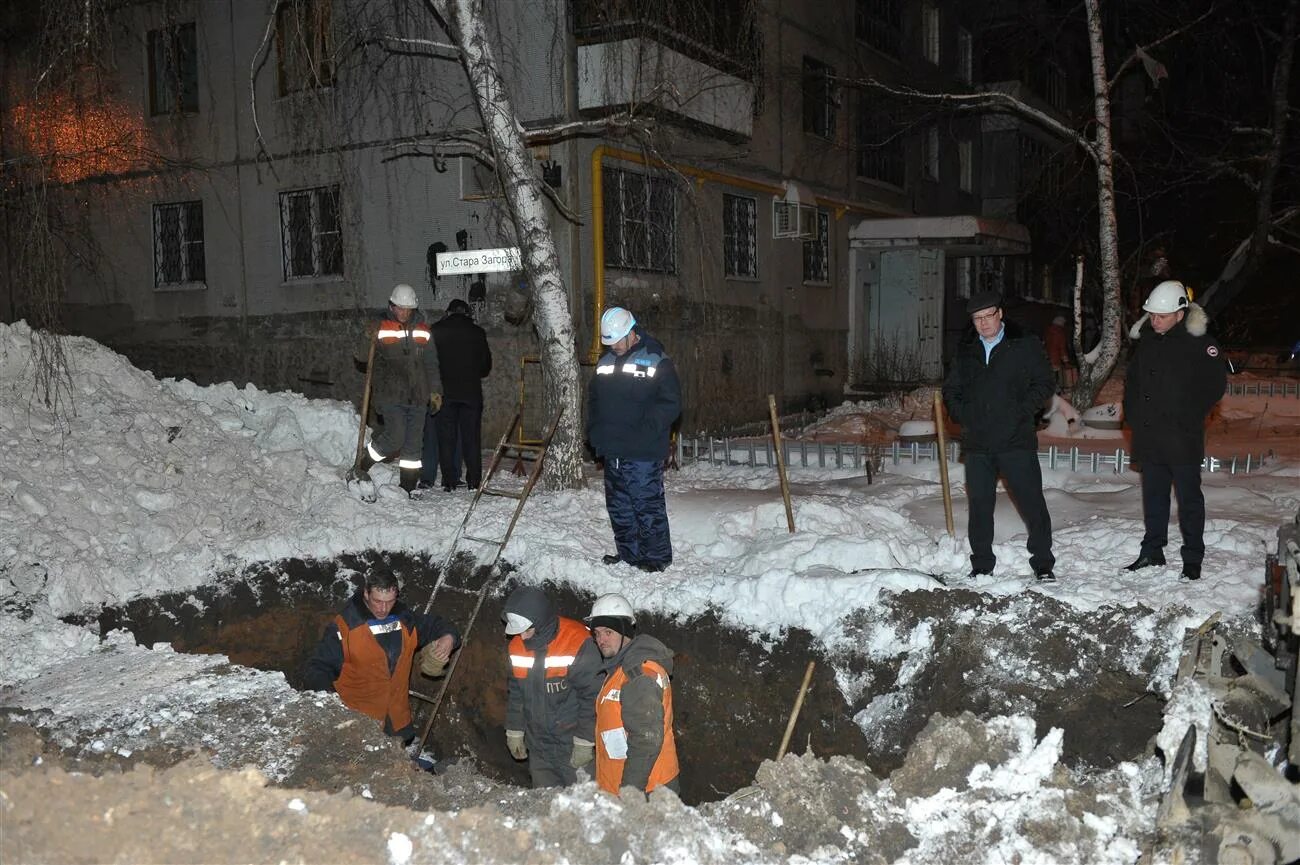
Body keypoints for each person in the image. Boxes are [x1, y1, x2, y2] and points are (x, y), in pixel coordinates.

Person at [942, 290, 1057, 581]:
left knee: (1031, 502)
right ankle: (981, 563)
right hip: (978, 443)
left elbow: (1044, 382)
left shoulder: (1024, 344)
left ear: (1000, 314)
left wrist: (1021, 411)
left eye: (988, 316)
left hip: (1015, 440)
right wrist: (963, 414)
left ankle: (1043, 562)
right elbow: (951, 390)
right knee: (980, 506)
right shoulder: (966, 349)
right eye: (977, 318)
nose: (983, 324)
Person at [1121, 280, 1227, 581]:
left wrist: (1187, 414)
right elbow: (1133, 383)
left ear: (1180, 313)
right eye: (1152, 315)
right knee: (1153, 497)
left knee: (1189, 500)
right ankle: (1152, 550)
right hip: (1150, 435)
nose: (1155, 321)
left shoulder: (1200, 343)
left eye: (1161, 316)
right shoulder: (1147, 342)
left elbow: (1214, 386)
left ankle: (1193, 557)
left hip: (1182, 438)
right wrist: (1133, 413)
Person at [302, 571, 460, 742]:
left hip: (398, 721)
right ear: (366, 593)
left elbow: (438, 625)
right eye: (377, 601)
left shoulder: (405, 620)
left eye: (390, 601)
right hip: (359, 725)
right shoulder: (345, 628)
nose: (383, 609)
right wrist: (332, 706)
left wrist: (448, 639)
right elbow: (317, 668)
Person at [586, 307, 682, 572]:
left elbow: (671, 402)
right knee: (619, 507)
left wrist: (647, 427)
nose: (613, 346)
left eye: (617, 340)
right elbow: (594, 399)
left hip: (642, 450)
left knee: (646, 505)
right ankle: (629, 554)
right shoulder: (605, 361)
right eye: (609, 342)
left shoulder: (655, 359)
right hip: (613, 448)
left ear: (631, 333)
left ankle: (656, 558)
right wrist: (594, 431)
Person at [501, 585, 604, 787]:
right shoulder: (516, 646)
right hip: (539, 746)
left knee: (584, 807)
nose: (522, 637)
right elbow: (516, 694)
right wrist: (514, 730)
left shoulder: (578, 642)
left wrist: (585, 740)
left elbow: (593, 696)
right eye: (519, 631)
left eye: (527, 630)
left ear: (541, 621)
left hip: (572, 745)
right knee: (546, 807)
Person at [353, 283, 443, 495]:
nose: (404, 312)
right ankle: (362, 464)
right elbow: (362, 357)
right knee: (395, 437)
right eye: (400, 308)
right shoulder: (380, 326)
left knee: (413, 446)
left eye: (408, 308)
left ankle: (408, 488)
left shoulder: (422, 329)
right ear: (392, 306)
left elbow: (431, 363)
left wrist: (436, 391)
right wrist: (367, 337)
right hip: (391, 394)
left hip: (418, 395)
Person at [587, 593, 679, 798]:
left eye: (608, 632)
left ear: (625, 631)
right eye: (597, 633)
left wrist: (630, 794)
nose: (601, 640)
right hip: (625, 782)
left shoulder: (639, 675)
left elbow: (646, 739)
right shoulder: (620, 666)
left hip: (647, 790)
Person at [432, 298, 492, 491]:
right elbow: (485, 367)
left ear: (448, 312)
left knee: (446, 438)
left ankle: (449, 480)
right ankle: (474, 481)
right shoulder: (477, 332)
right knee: (471, 438)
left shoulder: (436, 330)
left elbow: (429, 363)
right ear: (467, 314)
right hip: (471, 393)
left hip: (445, 393)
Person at [1044, 314, 1073, 391]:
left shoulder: (1048, 331)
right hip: (1055, 359)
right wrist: (1066, 361)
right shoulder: (1060, 333)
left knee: (1048, 375)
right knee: (1056, 376)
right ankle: (1057, 391)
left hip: (1046, 358)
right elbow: (1062, 349)